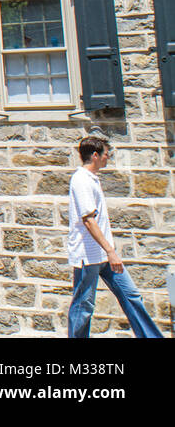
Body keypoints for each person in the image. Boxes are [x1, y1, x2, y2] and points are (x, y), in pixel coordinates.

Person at [66, 135, 164, 338]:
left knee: (131, 296)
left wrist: (109, 251)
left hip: (104, 255)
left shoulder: (92, 178)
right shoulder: (81, 180)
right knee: (83, 306)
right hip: (89, 255)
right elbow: (88, 220)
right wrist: (111, 251)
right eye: (106, 155)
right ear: (95, 155)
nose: (107, 159)